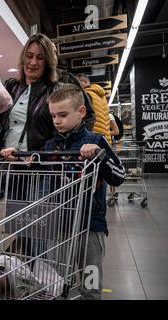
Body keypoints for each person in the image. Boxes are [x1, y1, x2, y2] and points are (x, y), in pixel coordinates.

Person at [43, 84, 125, 299]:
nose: (57, 120)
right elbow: (37, 168)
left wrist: (100, 155)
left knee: (90, 280)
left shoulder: (96, 140)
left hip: (90, 224)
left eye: (62, 114)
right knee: (58, 282)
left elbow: (119, 176)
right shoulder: (50, 145)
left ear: (81, 112)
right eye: (53, 116)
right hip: (60, 223)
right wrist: (18, 158)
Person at [0, 33, 60, 159]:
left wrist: (38, 155)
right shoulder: (11, 86)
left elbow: (62, 132)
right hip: (8, 165)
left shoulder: (54, 90)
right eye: (29, 56)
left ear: (48, 62)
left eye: (40, 57)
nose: (33, 62)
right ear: (23, 58)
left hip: (39, 168)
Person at [51, 42, 96, 131]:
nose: (53, 57)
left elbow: (89, 115)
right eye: (49, 52)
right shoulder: (29, 83)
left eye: (54, 53)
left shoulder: (67, 78)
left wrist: (80, 139)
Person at [75, 73, 112, 145]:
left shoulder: (86, 94)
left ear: (84, 82)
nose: (76, 86)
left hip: (94, 139)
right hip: (106, 137)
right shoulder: (101, 96)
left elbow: (89, 118)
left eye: (77, 83)